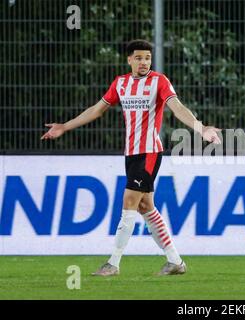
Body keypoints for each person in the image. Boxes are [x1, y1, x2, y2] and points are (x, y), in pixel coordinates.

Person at [41, 39, 221, 276]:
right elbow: (96, 110)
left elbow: (177, 107)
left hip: (149, 152)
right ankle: (175, 261)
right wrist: (65, 126)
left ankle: (113, 263)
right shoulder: (120, 83)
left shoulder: (159, 81)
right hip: (131, 153)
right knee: (146, 206)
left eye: (147, 58)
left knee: (129, 202)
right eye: (138, 58)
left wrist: (200, 128)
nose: (144, 62)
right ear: (129, 60)